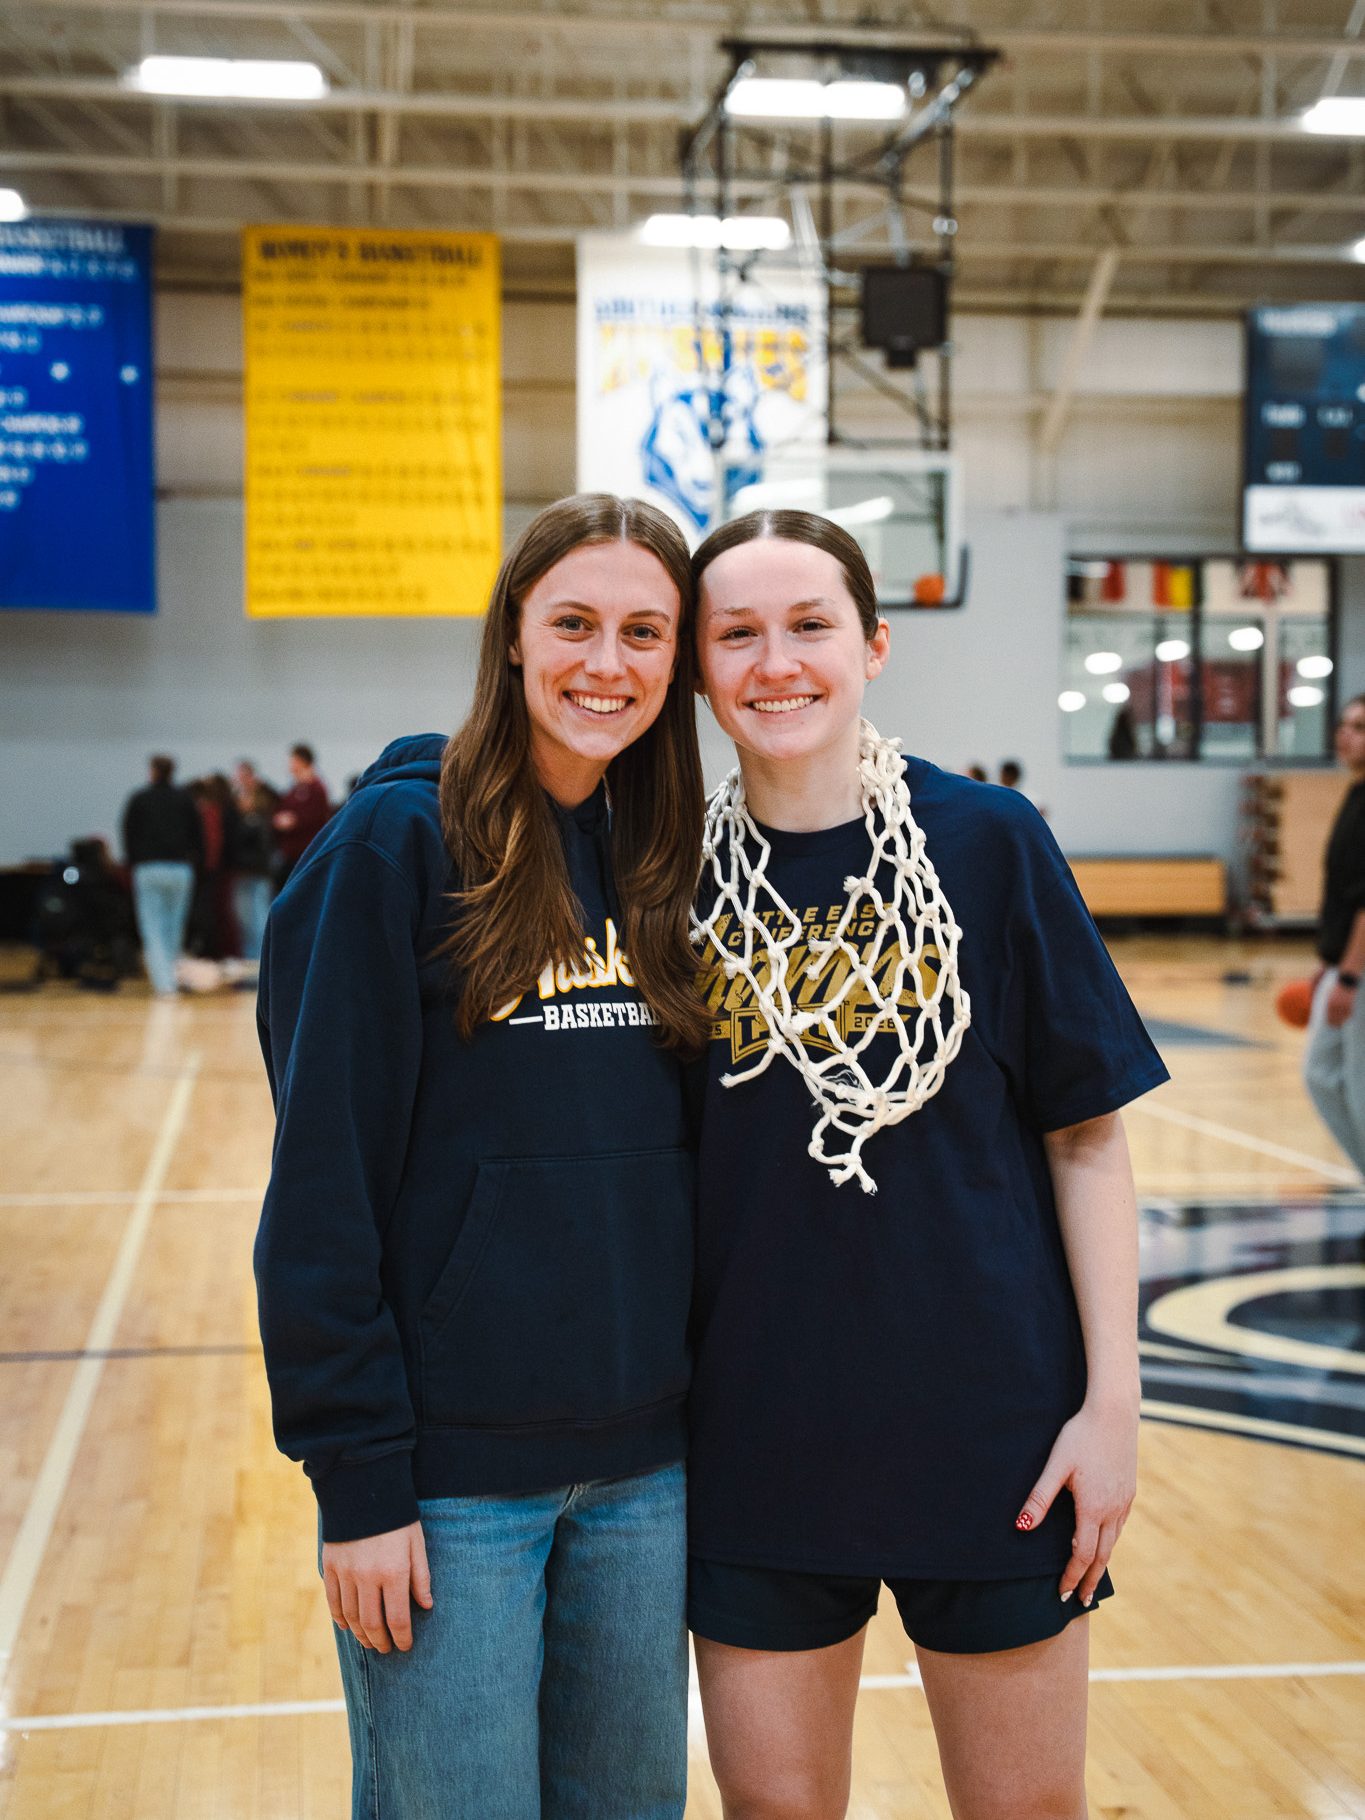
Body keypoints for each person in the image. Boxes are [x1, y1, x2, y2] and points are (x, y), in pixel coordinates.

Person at [685, 510, 1169, 1820]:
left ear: (874, 646)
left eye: (809, 626)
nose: (774, 662)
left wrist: (1112, 1408)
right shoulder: (667, 881)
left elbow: (1087, 1138)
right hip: (753, 1440)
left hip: (995, 1436)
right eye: (736, 633)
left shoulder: (991, 842)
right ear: (699, 666)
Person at [254, 495, 708, 1820]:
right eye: (572, 624)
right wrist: (359, 1485)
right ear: (511, 635)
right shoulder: (397, 845)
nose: (604, 664)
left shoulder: (663, 858)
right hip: (449, 1492)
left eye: (642, 632)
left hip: (646, 1479)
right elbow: (321, 1187)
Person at [1303, 693, 1365, 1177]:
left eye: (1359, 727)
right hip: (1342, 964)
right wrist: (1329, 960)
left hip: (1359, 974)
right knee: (1321, 1077)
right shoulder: (1354, 793)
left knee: (1359, 1090)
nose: (1346, 735)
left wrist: (1348, 977)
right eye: (1346, 725)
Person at [119, 754, 202, 997]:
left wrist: (133, 861)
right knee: (174, 926)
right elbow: (197, 835)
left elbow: (128, 833)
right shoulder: (185, 800)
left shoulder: (140, 799)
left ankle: (165, 984)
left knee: (152, 927)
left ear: (153, 771)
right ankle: (171, 978)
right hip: (180, 868)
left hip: (149, 868)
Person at [271, 742, 332, 888]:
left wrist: (294, 821)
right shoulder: (293, 789)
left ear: (302, 761)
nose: (290, 765)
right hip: (289, 852)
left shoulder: (317, 788)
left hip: (307, 852)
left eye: (292, 761)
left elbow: (316, 816)